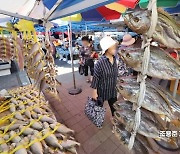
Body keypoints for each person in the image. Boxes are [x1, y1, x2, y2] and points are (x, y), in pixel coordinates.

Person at [91, 36, 118, 116]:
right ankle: (98, 121)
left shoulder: (115, 59)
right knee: (99, 108)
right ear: (107, 49)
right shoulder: (100, 63)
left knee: (115, 109)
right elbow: (96, 78)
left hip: (112, 90)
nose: (115, 48)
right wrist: (94, 92)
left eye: (114, 46)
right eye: (112, 47)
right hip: (102, 90)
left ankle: (115, 122)